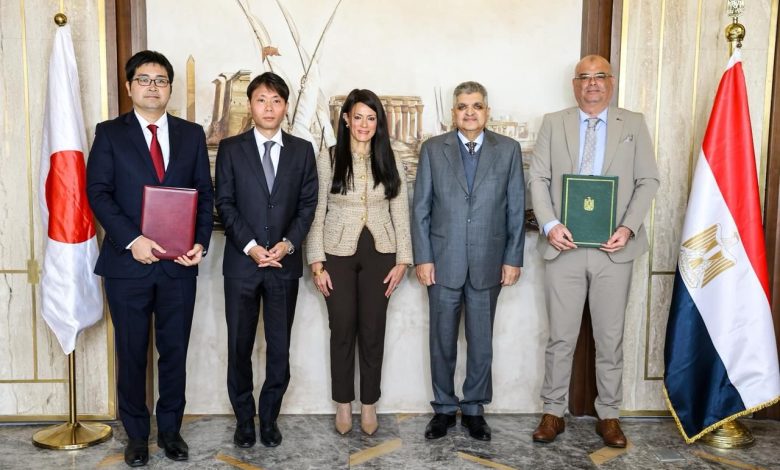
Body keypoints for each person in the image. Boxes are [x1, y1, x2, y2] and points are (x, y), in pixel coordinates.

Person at [86, 50, 213, 467]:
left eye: (160, 80)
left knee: (174, 352)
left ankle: (171, 432)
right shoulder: (109, 134)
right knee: (132, 353)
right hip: (128, 267)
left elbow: (204, 194)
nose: (152, 87)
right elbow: (98, 193)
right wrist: (131, 240)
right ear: (129, 87)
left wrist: (199, 242)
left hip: (179, 266)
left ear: (169, 87)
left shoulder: (191, 134)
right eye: (144, 79)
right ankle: (137, 436)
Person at [528, 55, 660, 448]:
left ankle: (610, 415)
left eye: (600, 76)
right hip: (563, 247)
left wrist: (627, 228)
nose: (592, 83)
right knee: (560, 337)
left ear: (611, 82)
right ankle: (553, 411)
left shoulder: (632, 123)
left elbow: (648, 179)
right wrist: (550, 225)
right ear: (574, 84)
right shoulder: (554, 122)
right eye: (584, 77)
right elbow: (538, 177)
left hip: (613, 249)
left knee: (610, 336)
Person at [411, 81, 525, 441]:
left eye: (476, 106)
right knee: (441, 341)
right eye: (463, 106)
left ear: (487, 111)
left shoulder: (508, 150)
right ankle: (444, 409)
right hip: (443, 263)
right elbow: (421, 209)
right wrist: (423, 257)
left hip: (488, 262)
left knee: (481, 342)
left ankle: (474, 409)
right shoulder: (433, 150)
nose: (470, 112)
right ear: (454, 113)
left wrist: (513, 258)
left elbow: (516, 209)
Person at [215, 72, 318, 449]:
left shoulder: (302, 150)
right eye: (261, 100)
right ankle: (244, 420)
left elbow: (308, 204)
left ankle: (270, 418)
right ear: (251, 105)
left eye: (276, 100)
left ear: (285, 106)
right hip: (243, 265)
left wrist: (288, 244)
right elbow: (224, 202)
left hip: (283, 265)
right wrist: (251, 246)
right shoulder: (231, 148)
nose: (269, 107)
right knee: (239, 346)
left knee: (279, 347)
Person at [306, 89, 412, 436]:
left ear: (378, 122)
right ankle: (343, 403)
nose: (364, 124)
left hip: (381, 252)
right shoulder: (329, 156)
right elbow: (317, 209)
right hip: (336, 252)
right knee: (341, 328)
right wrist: (316, 262)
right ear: (347, 120)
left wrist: (403, 260)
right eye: (358, 117)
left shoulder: (390, 156)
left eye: (371, 118)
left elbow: (400, 209)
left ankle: (369, 404)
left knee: (372, 329)